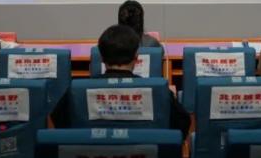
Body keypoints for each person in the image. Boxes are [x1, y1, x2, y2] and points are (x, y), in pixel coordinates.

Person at [51, 24, 191, 140]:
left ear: (101, 58)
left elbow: (59, 121)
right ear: (136, 58)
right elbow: (182, 125)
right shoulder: (160, 91)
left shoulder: (76, 91)